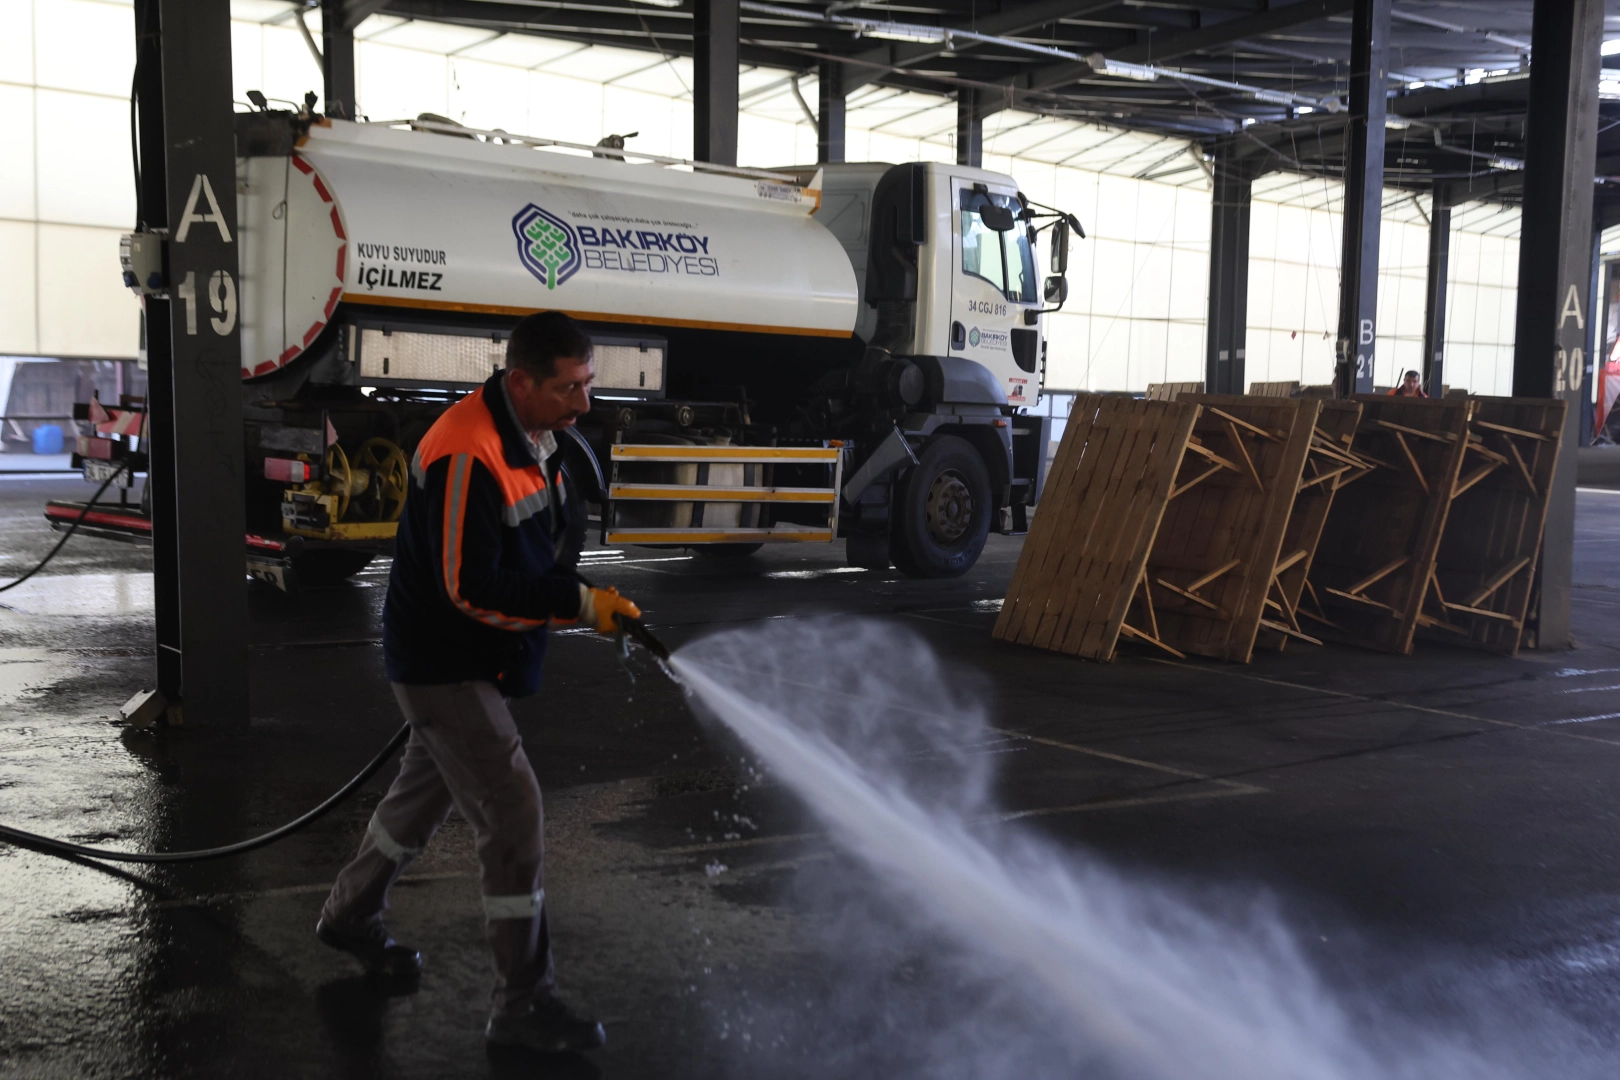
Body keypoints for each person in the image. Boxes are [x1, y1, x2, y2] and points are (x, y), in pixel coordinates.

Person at [315, 310, 639, 1054]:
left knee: (418, 801)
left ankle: (348, 916)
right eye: (570, 388)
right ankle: (522, 1002)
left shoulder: (537, 434)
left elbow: (541, 546)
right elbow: (468, 587)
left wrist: (580, 591)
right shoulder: (468, 451)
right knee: (514, 813)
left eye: (587, 385)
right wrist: (579, 605)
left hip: (469, 661)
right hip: (445, 664)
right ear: (521, 381)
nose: (584, 403)